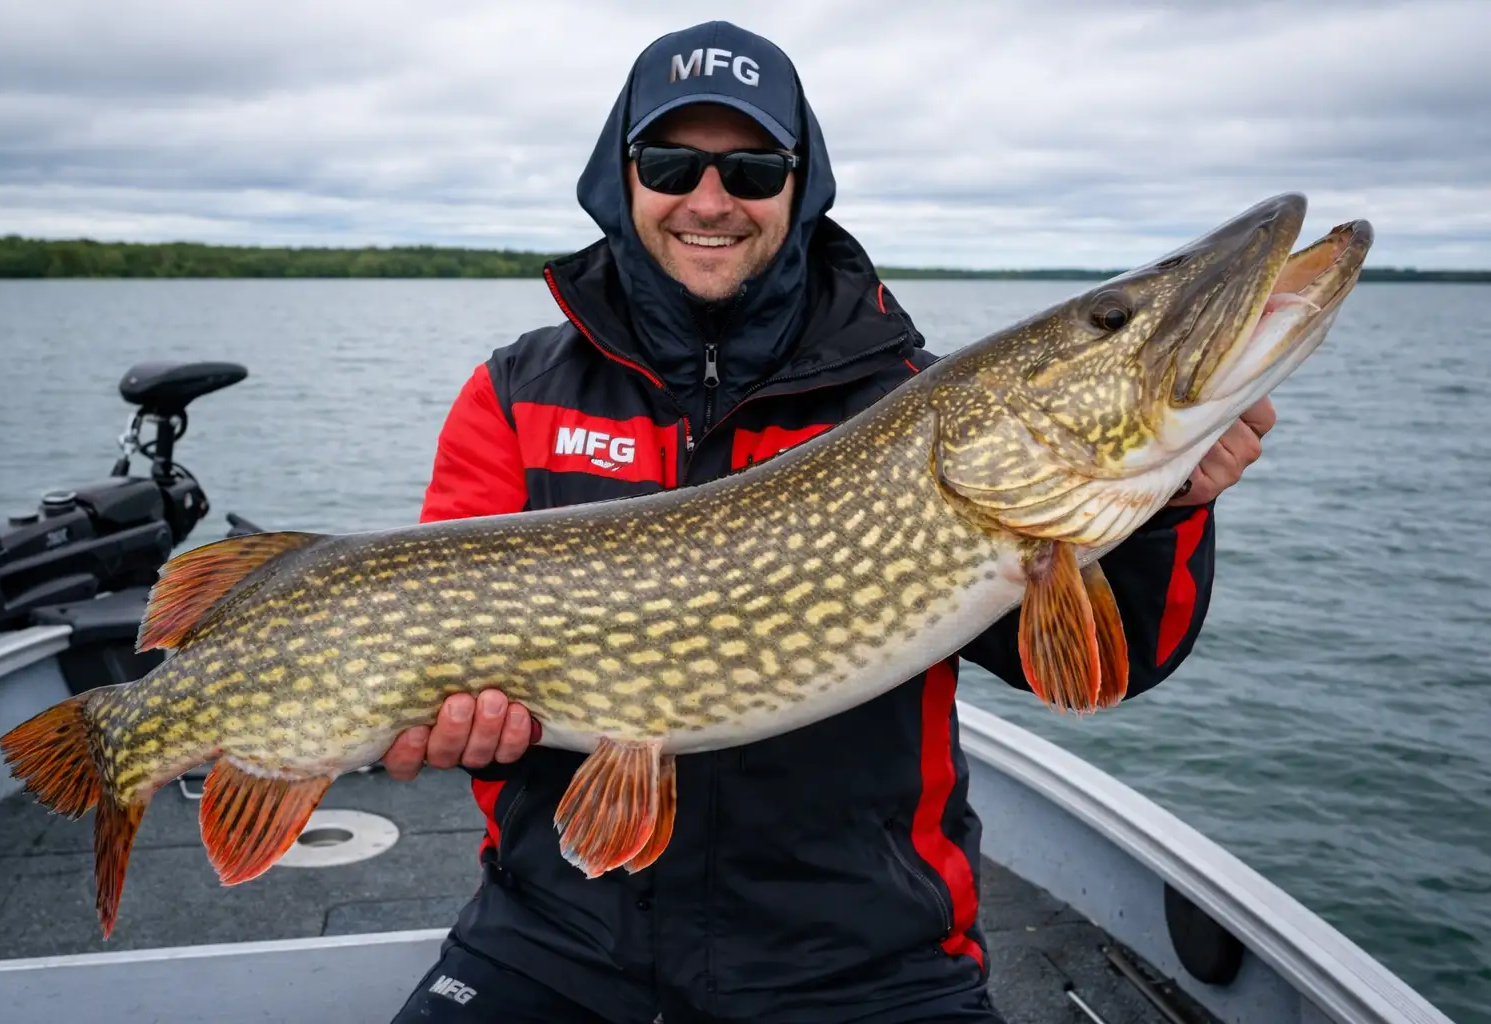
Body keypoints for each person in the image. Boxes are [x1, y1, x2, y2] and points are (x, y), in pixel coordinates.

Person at [384, 21, 1272, 1024]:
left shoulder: (906, 405)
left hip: (865, 959)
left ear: (800, 186)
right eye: (672, 163)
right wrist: (469, 731)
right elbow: (443, 655)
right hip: (559, 934)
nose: (711, 200)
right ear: (620, 178)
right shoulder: (515, 392)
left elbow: (1104, 666)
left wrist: (1168, 509)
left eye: (753, 168)